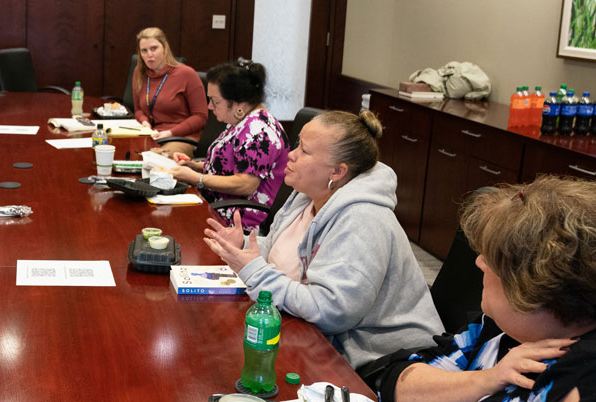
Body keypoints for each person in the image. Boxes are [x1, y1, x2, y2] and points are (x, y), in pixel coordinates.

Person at [364, 176, 596, 402]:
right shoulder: (507, 328)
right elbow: (396, 386)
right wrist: (489, 379)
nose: (480, 263)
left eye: (494, 260)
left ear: (539, 288)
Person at [203, 110, 442, 369]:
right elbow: (277, 251)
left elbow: (332, 311)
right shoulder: (308, 194)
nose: (291, 154)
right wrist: (245, 246)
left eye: (304, 151)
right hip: (316, 335)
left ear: (337, 171)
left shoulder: (362, 219)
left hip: (381, 359)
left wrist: (255, 272)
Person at [167, 59, 287, 231]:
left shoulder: (259, 132)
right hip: (220, 206)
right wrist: (194, 166)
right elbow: (233, 166)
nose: (209, 106)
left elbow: (246, 183)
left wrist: (198, 179)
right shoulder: (243, 121)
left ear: (238, 103)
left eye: (215, 101)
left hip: (239, 221)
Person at [131, 27, 207, 157]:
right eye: (144, 50)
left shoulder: (186, 74)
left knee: (158, 161)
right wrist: (145, 122)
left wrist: (170, 133)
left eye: (154, 48)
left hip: (180, 136)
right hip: (152, 134)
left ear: (164, 48)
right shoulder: (139, 72)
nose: (149, 54)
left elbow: (200, 117)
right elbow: (138, 109)